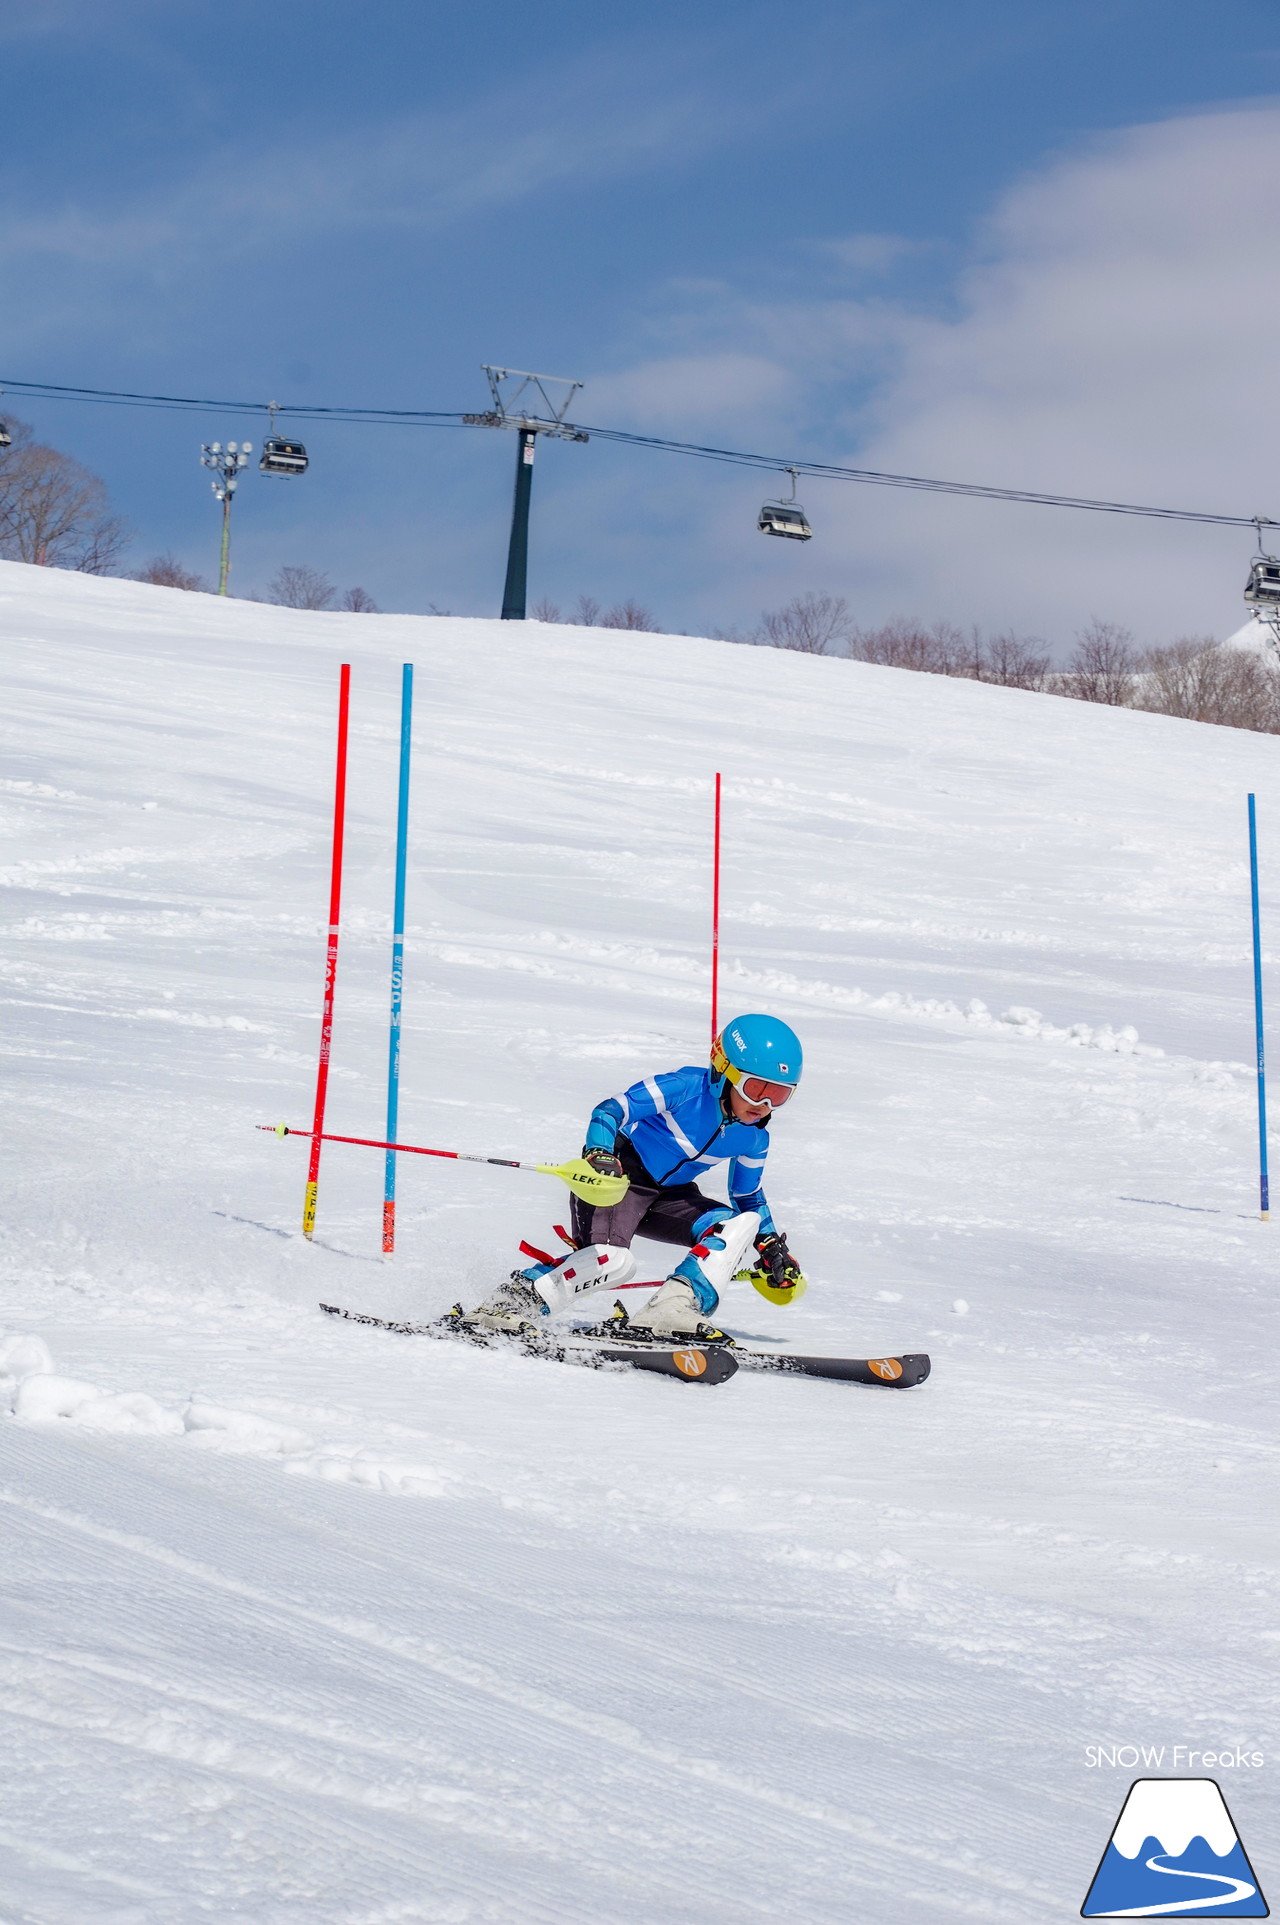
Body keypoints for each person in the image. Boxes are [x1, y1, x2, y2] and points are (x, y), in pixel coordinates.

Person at [459, 1012, 807, 1339]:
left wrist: (770, 1245)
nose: (764, 1105)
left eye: (779, 1095)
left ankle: (670, 1311)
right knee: (613, 1263)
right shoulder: (684, 1087)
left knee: (738, 1226)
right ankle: (508, 1304)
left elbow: (748, 1197)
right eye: (756, 1089)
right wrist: (599, 1153)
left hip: (670, 1197)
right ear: (723, 1071)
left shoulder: (755, 1137)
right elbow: (611, 1110)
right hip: (619, 1180)